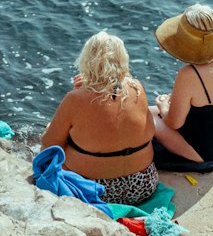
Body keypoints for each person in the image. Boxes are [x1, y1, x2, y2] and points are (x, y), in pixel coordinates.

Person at [40, 31, 158, 205]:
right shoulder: (137, 88)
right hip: (143, 185)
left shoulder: (75, 98)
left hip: (94, 190)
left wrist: (80, 92)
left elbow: (49, 145)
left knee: (54, 132)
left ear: (87, 60)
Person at [152, 4, 213, 171]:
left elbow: (173, 123)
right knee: (148, 110)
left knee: (145, 119)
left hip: (209, 155)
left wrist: (164, 106)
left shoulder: (190, 74)